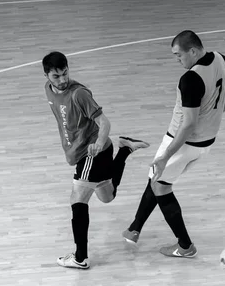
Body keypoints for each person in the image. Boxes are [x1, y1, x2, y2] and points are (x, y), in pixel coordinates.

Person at [122, 30, 225, 258]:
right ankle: (134, 228)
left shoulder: (191, 79)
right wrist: (210, 118)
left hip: (184, 141)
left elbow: (187, 125)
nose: (178, 60)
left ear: (193, 51)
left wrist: (167, 154)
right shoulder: (222, 59)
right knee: (157, 177)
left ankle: (185, 246)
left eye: (179, 55)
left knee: (160, 186)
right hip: (206, 141)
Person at [43, 51, 150, 269]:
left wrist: (100, 143)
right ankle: (124, 150)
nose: (62, 80)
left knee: (77, 200)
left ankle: (80, 257)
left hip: (91, 153)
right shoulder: (48, 90)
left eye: (65, 73)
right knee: (107, 197)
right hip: (86, 151)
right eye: (56, 76)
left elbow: (104, 122)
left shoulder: (79, 94)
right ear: (46, 76)